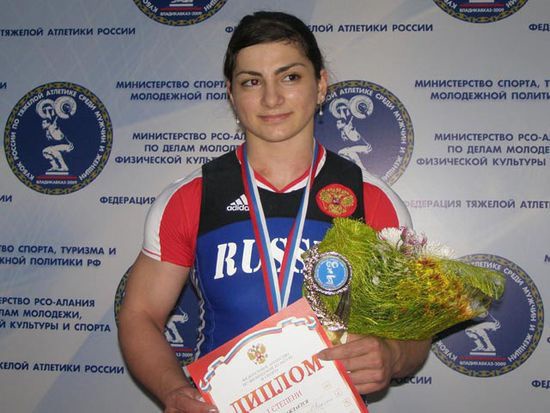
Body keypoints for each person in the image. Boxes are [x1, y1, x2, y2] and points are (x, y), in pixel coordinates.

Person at [118, 11, 431, 413]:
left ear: (321, 84)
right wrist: (172, 391)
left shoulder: (373, 199)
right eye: (252, 81)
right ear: (232, 94)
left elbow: (414, 329)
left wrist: (392, 355)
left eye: (290, 77)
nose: (271, 99)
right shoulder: (191, 197)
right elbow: (139, 314)